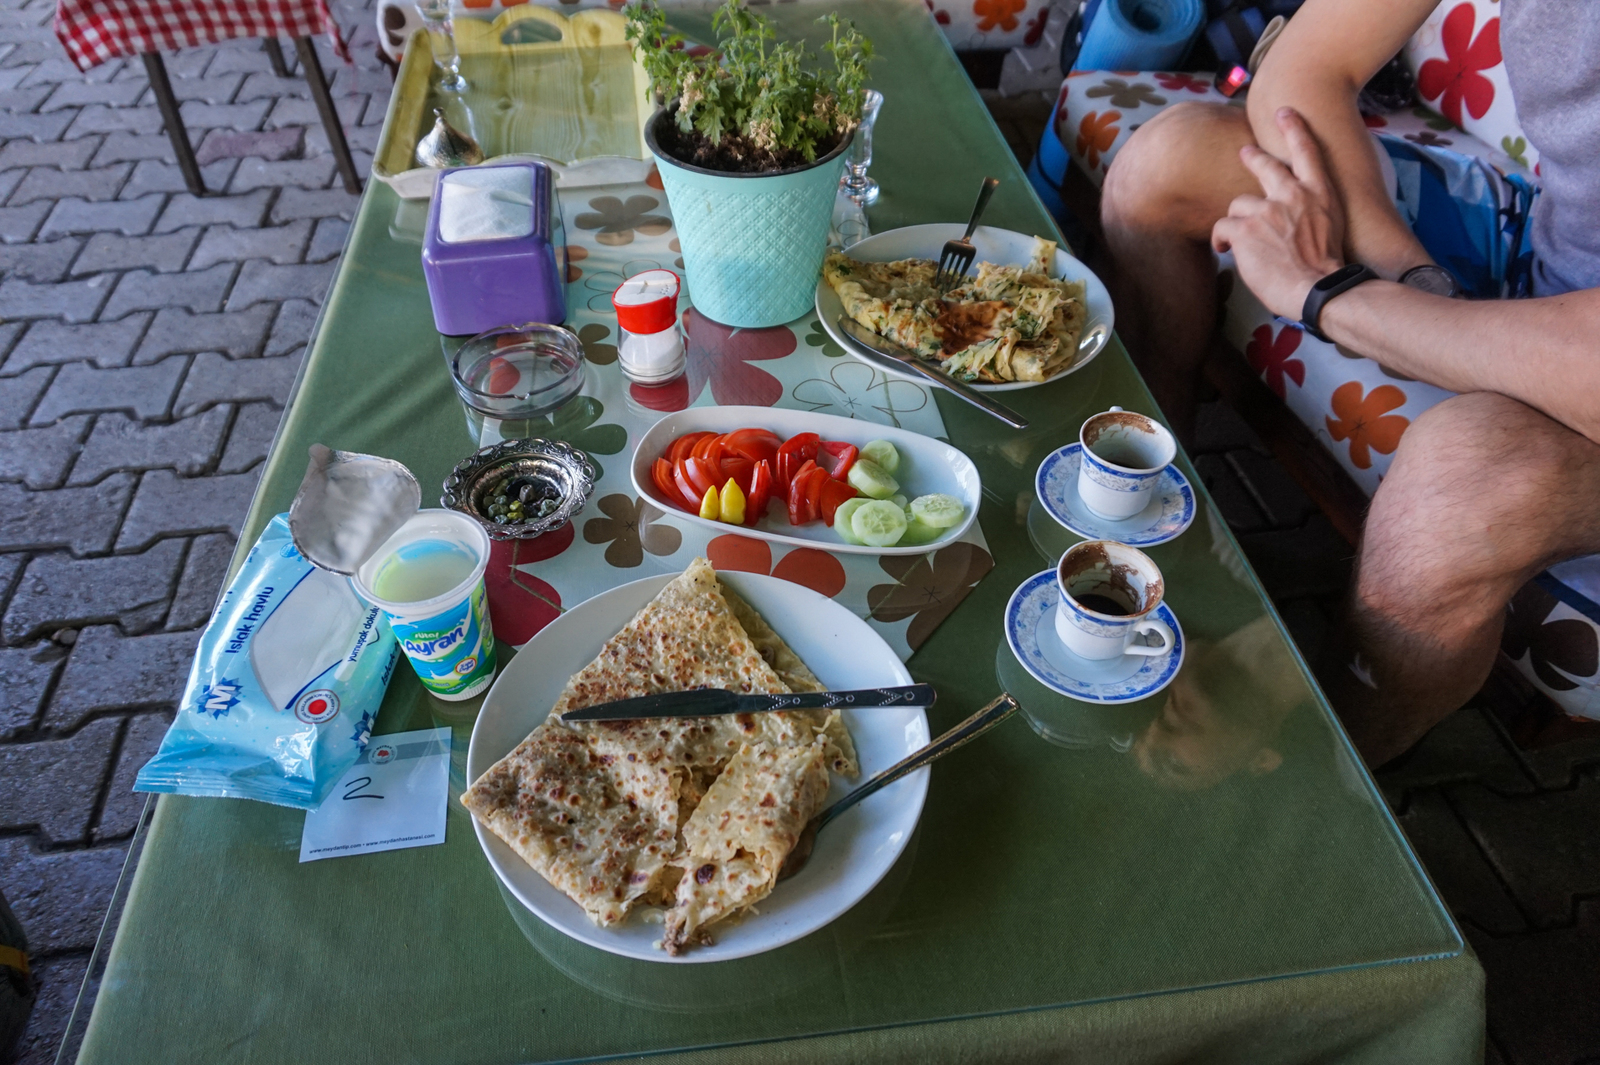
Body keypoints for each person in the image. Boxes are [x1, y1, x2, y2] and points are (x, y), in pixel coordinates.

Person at [1098, 0, 1600, 766]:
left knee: (1467, 484)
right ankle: (1150, 537)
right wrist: (1411, 282)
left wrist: (1344, 300)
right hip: (1548, 252)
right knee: (1166, 164)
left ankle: (1331, 773)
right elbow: (1304, 70)